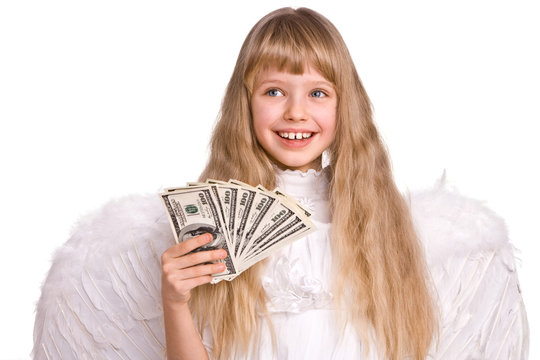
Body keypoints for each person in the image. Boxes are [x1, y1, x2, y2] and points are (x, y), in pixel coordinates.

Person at [33, 7, 528, 360]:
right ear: (245, 103)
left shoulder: (390, 226)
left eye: (317, 92)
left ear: (344, 106)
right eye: (274, 90)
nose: (296, 112)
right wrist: (174, 302)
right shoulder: (212, 228)